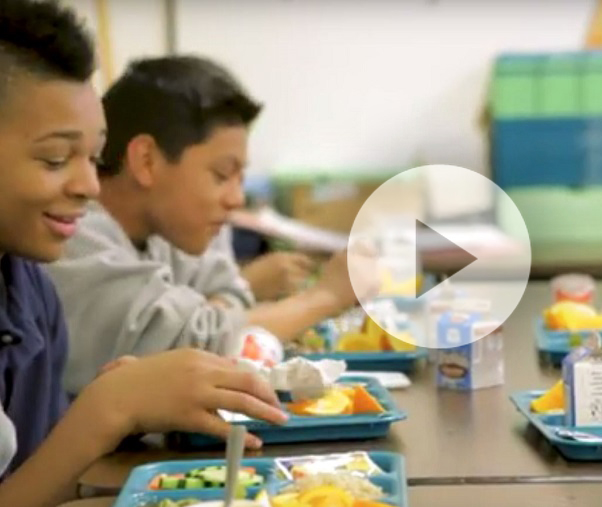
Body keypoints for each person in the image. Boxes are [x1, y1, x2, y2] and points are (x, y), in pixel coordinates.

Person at [0, 1, 288, 504]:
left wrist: (122, 414)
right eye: (55, 158)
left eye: (93, 157)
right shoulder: (64, 257)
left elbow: (40, 477)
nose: (91, 186)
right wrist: (109, 410)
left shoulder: (29, 288)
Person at [45, 55, 377, 394]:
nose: (235, 198)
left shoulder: (168, 232)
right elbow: (201, 342)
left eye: (240, 177)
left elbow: (227, 294)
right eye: (222, 174)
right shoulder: (71, 237)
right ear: (146, 160)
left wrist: (211, 316)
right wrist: (325, 296)